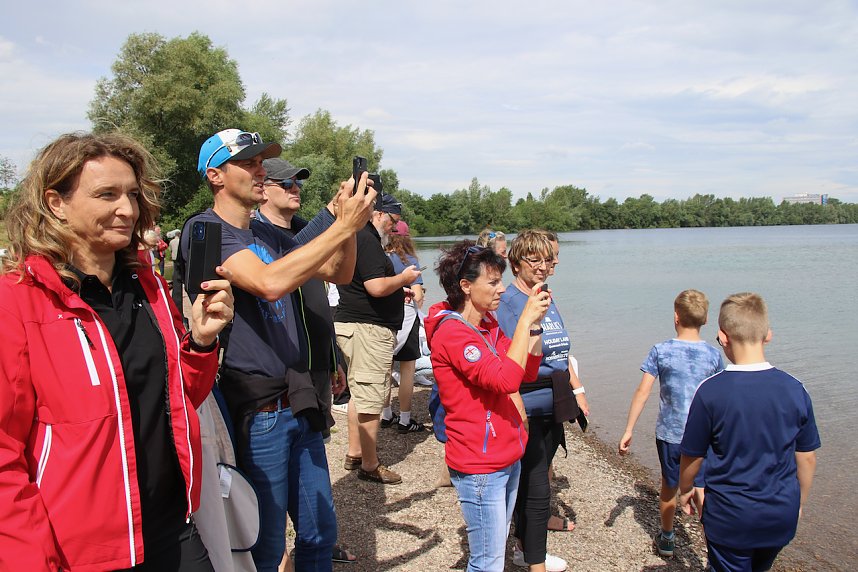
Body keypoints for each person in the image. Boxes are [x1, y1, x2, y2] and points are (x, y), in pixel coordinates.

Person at [0, 132, 235, 571]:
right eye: (106, 194)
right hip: (79, 551)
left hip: (172, 526)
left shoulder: (148, 288)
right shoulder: (17, 302)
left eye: (131, 194)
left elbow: (180, 399)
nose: (127, 209)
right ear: (56, 202)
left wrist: (201, 343)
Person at [186, 128, 374, 572]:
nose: (260, 170)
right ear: (215, 175)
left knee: (318, 532)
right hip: (257, 410)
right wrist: (342, 223)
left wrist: (350, 226)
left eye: (260, 162)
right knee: (266, 544)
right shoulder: (205, 231)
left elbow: (338, 272)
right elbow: (269, 284)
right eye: (248, 163)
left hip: (299, 400)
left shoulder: (268, 234)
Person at [424, 241, 551, 572]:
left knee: (496, 553)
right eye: (493, 282)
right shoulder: (453, 333)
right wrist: (524, 321)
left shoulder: (487, 323)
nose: (501, 289)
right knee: (488, 562)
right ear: (466, 286)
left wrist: (535, 326)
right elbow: (505, 381)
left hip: (506, 454)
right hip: (480, 463)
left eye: (501, 281)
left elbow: (527, 370)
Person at [256, 157, 355, 565]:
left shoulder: (299, 231)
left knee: (317, 526)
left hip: (313, 376)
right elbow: (281, 268)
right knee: (267, 531)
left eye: (299, 182)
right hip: (275, 391)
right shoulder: (255, 234)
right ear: (263, 188)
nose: (296, 188)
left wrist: (334, 355)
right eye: (287, 182)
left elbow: (338, 279)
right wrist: (335, 215)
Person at [678, 293, 820, 572]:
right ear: (768, 335)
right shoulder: (796, 389)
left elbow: (691, 456)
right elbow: (807, 458)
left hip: (730, 517)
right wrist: (798, 503)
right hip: (780, 514)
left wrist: (685, 489)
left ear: (723, 337)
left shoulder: (710, 392)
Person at [496, 230, 588, 572]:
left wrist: (577, 390)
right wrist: (516, 400)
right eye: (533, 259)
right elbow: (509, 357)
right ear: (516, 263)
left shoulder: (545, 295)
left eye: (547, 260)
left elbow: (561, 350)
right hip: (527, 403)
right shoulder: (511, 302)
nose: (542, 266)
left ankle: (522, 546)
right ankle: (535, 561)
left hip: (554, 399)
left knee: (531, 483)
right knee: (537, 487)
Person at [618, 289, 723, 558]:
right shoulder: (713, 356)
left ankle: (667, 538)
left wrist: (629, 429)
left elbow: (643, 392)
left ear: (676, 317)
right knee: (702, 489)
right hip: (705, 438)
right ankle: (713, 545)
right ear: (706, 319)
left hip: (671, 435)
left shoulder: (661, 351)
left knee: (669, 488)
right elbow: (722, 398)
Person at [335, 194, 421, 485]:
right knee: (371, 397)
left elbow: (364, 283)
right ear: (381, 214)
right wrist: (403, 279)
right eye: (393, 221)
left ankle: (355, 452)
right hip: (368, 330)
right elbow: (374, 286)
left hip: (354, 324)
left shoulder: (356, 235)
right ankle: (370, 465)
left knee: (360, 392)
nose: (393, 229)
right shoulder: (368, 239)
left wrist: (398, 291)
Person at [383, 219, 427, 433]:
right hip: (406, 320)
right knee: (407, 369)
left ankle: (385, 415)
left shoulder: (379, 258)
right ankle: (405, 420)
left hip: (383, 319)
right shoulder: (409, 260)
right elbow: (417, 296)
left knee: (385, 368)